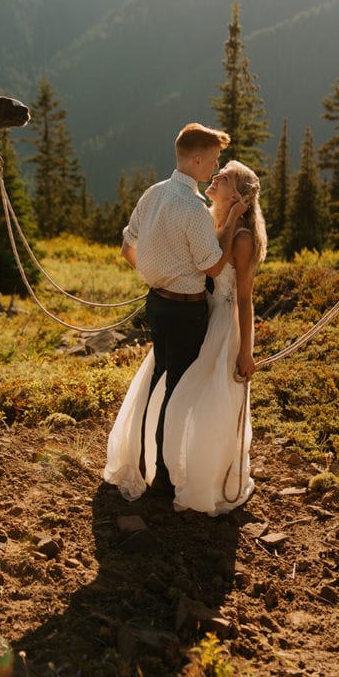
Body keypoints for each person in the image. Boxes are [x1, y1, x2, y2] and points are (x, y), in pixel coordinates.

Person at [104, 123, 246, 500]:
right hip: (186, 310)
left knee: (157, 381)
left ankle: (144, 459)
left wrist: (155, 276)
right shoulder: (195, 210)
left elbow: (126, 246)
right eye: (212, 161)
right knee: (177, 392)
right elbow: (213, 268)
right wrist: (231, 221)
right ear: (196, 159)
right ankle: (164, 473)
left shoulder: (153, 194)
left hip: (156, 303)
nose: (214, 168)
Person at [162, 159, 267, 515]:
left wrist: (246, 352)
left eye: (226, 178)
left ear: (238, 197)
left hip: (225, 324)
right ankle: (187, 470)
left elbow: (242, 297)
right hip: (202, 316)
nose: (216, 176)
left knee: (216, 404)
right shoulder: (211, 220)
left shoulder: (242, 238)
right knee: (191, 398)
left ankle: (214, 483)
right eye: (219, 174)